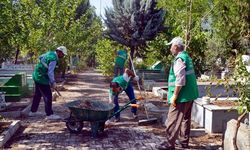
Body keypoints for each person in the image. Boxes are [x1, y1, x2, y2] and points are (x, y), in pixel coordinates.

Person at [156, 37, 199, 150]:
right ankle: (184, 142)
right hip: (190, 94)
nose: (170, 49)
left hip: (182, 96)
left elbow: (180, 79)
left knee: (173, 119)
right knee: (185, 118)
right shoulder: (187, 57)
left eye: (171, 46)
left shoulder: (179, 59)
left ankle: (169, 144)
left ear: (175, 47)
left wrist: (175, 95)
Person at [29, 46, 67, 120]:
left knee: (38, 94)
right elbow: (50, 72)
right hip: (41, 77)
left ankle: (32, 112)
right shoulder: (53, 59)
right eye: (63, 54)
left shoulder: (50, 53)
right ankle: (49, 114)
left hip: (37, 74)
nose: (63, 56)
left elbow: (40, 57)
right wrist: (53, 82)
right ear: (59, 52)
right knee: (48, 95)